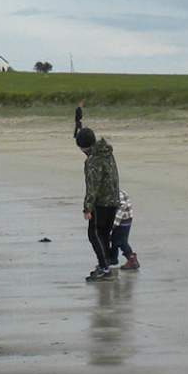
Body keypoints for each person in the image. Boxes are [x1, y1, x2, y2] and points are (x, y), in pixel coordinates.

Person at [74, 103, 121, 281]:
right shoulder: (107, 152)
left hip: (102, 203)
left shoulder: (92, 160)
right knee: (104, 233)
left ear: (84, 147)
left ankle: (104, 268)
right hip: (114, 200)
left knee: (94, 234)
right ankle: (106, 263)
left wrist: (87, 208)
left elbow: (92, 185)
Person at [113, 190, 141, 271]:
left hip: (123, 220)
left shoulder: (118, 195)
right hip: (127, 218)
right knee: (115, 240)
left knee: (121, 241)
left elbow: (121, 210)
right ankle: (112, 259)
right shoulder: (120, 192)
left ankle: (132, 259)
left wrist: (113, 225)